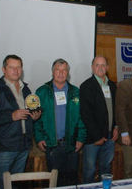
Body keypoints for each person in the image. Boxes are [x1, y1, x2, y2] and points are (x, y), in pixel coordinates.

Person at [0, 54, 41, 189]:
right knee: (1, 185)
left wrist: (33, 118)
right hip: (3, 148)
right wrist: (10, 116)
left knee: (17, 185)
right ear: (3, 69)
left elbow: (26, 116)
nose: (15, 70)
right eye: (11, 67)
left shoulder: (26, 89)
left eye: (18, 67)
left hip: (23, 146)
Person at [34, 58, 86, 186]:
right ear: (52, 72)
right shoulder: (42, 92)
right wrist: (39, 137)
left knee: (71, 177)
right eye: (58, 70)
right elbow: (36, 118)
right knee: (54, 179)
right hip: (52, 144)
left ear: (68, 72)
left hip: (71, 143)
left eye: (64, 70)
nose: (61, 73)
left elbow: (81, 117)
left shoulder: (75, 92)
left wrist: (81, 138)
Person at [80, 56, 118, 183]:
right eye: (97, 65)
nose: (100, 67)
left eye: (103, 65)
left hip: (110, 136)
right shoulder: (86, 86)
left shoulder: (112, 85)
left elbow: (116, 109)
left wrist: (116, 127)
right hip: (93, 138)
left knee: (105, 168)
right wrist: (97, 136)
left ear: (107, 68)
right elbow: (86, 114)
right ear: (92, 67)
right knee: (90, 170)